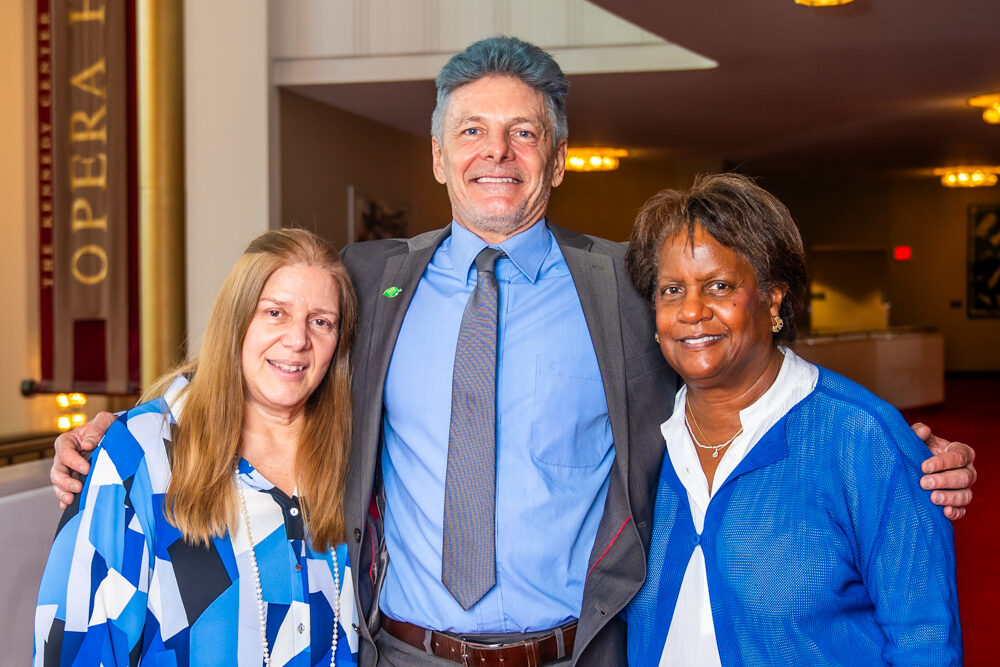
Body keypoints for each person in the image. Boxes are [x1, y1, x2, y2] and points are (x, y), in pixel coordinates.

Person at [49, 38, 976, 667]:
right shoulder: (372, 280)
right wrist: (131, 422)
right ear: (440, 157)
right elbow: (269, 339)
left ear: (560, 157)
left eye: (524, 132)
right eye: (474, 132)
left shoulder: (625, 286)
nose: (500, 152)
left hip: (575, 650)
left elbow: (734, 349)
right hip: (401, 650)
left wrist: (897, 444)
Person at [622, 173, 962, 665]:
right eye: (672, 290)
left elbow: (925, 642)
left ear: (773, 298)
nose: (691, 311)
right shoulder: (642, 433)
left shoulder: (862, 437)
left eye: (719, 286)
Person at [35, 229, 360, 666]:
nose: (298, 339)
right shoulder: (140, 455)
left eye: (321, 321)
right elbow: (77, 645)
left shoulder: (356, 455)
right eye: (275, 313)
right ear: (237, 318)